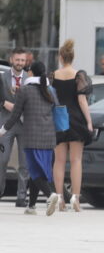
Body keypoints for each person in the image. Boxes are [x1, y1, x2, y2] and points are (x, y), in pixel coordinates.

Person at [0, 61, 59, 215]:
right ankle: (31, 206)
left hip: (32, 138)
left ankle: (51, 195)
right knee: (39, 171)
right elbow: (56, 111)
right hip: (49, 139)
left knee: (34, 172)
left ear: (31, 73)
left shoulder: (25, 90)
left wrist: (3, 130)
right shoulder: (50, 90)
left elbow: (15, 115)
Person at [51, 39, 93, 213]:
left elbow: (49, 98)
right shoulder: (79, 75)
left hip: (59, 118)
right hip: (75, 119)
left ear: (61, 57)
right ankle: (75, 199)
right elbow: (82, 100)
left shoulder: (52, 75)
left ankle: (59, 198)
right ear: (72, 57)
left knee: (59, 161)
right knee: (76, 161)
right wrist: (89, 121)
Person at [0, 48, 30, 206]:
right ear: (12, 59)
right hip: (6, 123)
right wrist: (4, 103)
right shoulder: (2, 77)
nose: (19, 63)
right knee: (2, 159)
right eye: (17, 60)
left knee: (24, 163)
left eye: (22, 60)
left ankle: (21, 197)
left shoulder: (29, 79)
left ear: (25, 62)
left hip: (25, 124)